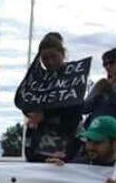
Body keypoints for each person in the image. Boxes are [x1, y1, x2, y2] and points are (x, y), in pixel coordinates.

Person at [24, 33, 84, 162]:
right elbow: (25, 102)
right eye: (45, 58)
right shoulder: (38, 79)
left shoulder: (75, 76)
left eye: (53, 56)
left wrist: (45, 114)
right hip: (39, 145)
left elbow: (77, 106)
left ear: (62, 54)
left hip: (67, 143)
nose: (50, 62)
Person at [83, 48, 116, 127]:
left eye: (112, 62)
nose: (108, 66)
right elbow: (85, 109)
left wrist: (110, 92)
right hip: (96, 128)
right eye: (105, 64)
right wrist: (97, 95)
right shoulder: (101, 84)